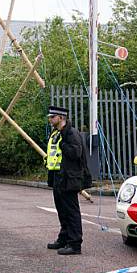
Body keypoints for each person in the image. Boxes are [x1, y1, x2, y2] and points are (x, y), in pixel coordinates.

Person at [45, 105, 89, 255]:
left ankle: (75, 244)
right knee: (62, 210)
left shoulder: (70, 133)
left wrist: (63, 145)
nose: (50, 119)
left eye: (52, 117)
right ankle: (63, 238)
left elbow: (76, 153)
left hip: (69, 178)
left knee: (71, 211)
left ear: (61, 117)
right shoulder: (56, 133)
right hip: (58, 176)